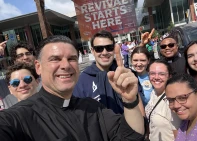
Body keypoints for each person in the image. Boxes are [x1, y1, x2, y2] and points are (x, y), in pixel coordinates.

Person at [0, 35, 145, 140]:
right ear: (38, 67)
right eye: (55, 59)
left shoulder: (93, 108)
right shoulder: (19, 116)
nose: (65, 65)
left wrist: (130, 100)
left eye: (71, 59)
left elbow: (132, 136)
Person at [74, 31, 145, 115]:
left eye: (109, 47)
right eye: (99, 49)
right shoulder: (82, 80)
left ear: (114, 49)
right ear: (93, 51)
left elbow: (141, 110)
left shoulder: (127, 75)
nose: (104, 52)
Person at [145, 60, 181, 141]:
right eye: (152, 73)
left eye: (162, 74)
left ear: (169, 76)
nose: (156, 77)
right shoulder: (153, 93)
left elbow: (178, 134)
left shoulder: (172, 101)